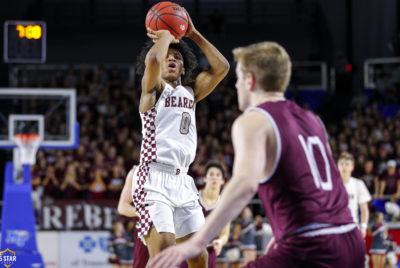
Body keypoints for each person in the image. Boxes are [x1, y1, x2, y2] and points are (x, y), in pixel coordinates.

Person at [149, 41, 365, 268]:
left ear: (250, 80)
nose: (236, 86)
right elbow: (326, 184)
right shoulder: (313, 119)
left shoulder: (253, 121)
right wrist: (284, 233)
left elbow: (245, 185)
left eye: (239, 78)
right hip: (350, 241)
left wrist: (196, 242)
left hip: (311, 246)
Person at [134, 9, 229, 267]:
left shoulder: (191, 92)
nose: (171, 59)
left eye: (177, 57)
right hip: (154, 179)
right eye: (168, 57)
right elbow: (153, 61)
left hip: (183, 181)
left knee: (200, 256)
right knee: (164, 252)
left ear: (184, 66)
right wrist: (166, 35)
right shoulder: (152, 92)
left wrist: (194, 34)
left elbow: (222, 67)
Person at [180, 160, 230, 268]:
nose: (214, 177)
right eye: (211, 174)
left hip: (209, 250)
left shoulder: (225, 205)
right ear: (205, 178)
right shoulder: (192, 197)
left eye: (218, 175)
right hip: (188, 249)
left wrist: (220, 242)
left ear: (222, 181)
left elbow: (225, 234)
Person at [118, 166, 149, 268]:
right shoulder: (136, 172)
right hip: (146, 228)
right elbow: (122, 207)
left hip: (171, 227)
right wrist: (144, 212)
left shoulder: (176, 170)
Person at [337, 152, 371, 238]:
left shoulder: (358, 184)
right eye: (341, 164)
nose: (344, 166)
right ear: (337, 166)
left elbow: (364, 209)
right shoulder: (331, 185)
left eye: (347, 164)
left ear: (352, 167)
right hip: (335, 227)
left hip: (352, 226)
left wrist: (363, 226)